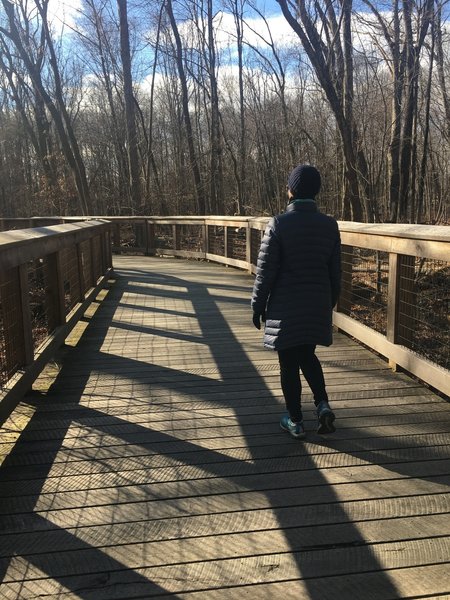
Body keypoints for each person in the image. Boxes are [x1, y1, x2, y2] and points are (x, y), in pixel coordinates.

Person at [251, 164, 341, 439]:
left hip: (285, 308)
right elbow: (335, 272)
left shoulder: (278, 224)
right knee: (307, 355)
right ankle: (323, 405)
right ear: (316, 192)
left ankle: (295, 420)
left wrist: (257, 305)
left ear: (290, 191)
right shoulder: (329, 225)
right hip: (316, 304)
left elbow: (266, 271)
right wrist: (329, 303)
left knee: (288, 363)